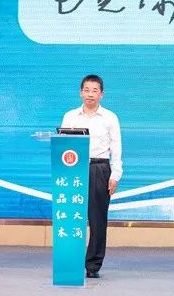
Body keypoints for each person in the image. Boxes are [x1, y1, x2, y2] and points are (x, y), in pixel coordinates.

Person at [60, 74, 123, 279]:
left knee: (97, 220)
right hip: (74, 168)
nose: (90, 94)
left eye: (94, 90)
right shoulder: (70, 116)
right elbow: (63, 144)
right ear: (80, 92)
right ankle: (69, 261)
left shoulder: (110, 117)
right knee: (72, 217)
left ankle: (93, 265)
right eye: (86, 90)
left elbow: (116, 149)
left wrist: (115, 175)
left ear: (101, 94)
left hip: (99, 168)